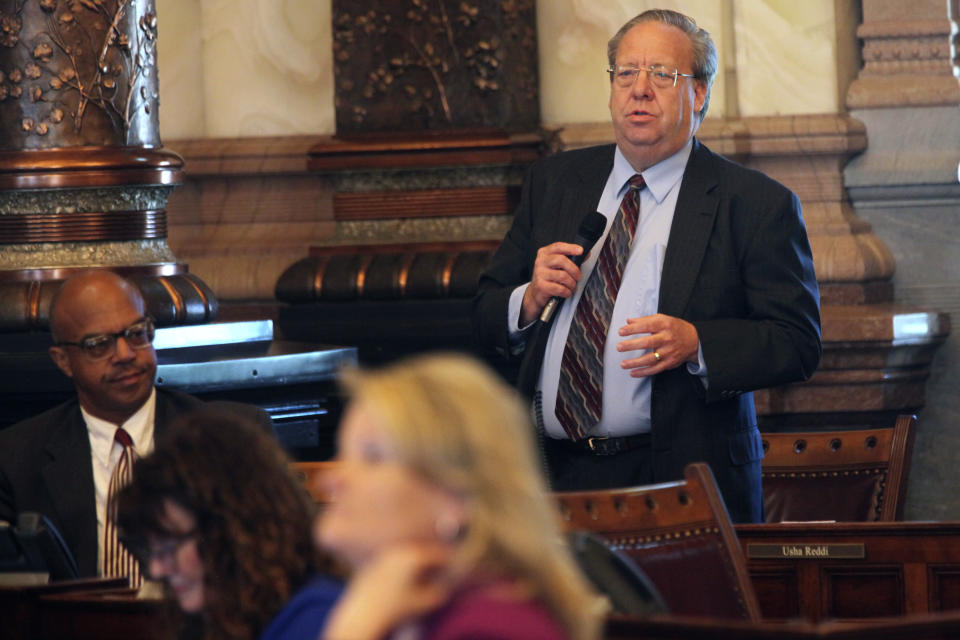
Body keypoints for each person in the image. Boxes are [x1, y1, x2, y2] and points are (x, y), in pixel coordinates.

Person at [473, 9, 821, 523]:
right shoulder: (555, 183)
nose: (640, 89)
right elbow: (483, 311)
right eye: (626, 73)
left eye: (662, 74)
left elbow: (797, 342)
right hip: (550, 476)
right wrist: (526, 299)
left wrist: (698, 343)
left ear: (699, 94)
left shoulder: (753, 203)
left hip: (677, 478)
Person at [0, 269, 273, 578]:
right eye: (99, 344)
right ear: (63, 361)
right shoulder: (16, 458)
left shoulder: (232, 440)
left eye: (136, 333)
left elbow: (266, 559)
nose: (125, 354)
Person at [314, 353, 605, 640]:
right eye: (342, 453)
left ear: (457, 496)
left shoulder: (490, 630)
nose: (333, 479)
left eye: (372, 457)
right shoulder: (408, 605)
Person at [115, 407, 340, 640]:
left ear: (231, 530)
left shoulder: (317, 621)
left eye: (168, 548)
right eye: (153, 550)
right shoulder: (223, 614)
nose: (156, 569)